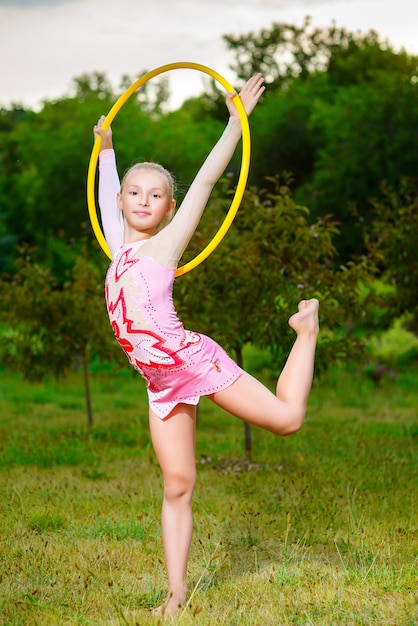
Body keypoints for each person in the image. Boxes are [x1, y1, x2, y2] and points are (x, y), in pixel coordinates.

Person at [93, 73, 319, 618]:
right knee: (177, 483)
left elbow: (204, 182)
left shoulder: (165, 246)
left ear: (168, 210)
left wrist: (236, 121)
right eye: (133, 191)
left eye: (156, 194)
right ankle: (175, 594)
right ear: (121, 202)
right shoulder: (115, 243)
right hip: (159, 384)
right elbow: (106, 186)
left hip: (192, 361)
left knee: (287, 420)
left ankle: (305, 330)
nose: (143, 199)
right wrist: (106, 150)